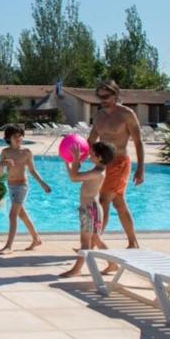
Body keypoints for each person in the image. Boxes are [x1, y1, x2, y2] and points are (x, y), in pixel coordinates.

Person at [87, 80, 144, 248]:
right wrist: (77, 156)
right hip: (103, 164)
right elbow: (91, 139)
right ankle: (133, 242)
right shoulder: (99, 116)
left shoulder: (126, 114)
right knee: (118, 202)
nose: (102, 99)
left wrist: (141, 169)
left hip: (120, 163)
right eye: (99, 96)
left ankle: (94, 243)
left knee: (104, 200)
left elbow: (138, 142)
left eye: (106, 96)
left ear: (116, 95)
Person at [59, 141, 116, 278]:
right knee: (96, 239)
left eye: (92, 152)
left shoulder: (97, 173)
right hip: (91, 209)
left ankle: (76, 269)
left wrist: (77, 159)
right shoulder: (97, 170)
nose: (89, 153)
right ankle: (113, 264)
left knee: (85, 242)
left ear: (100, 157)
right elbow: (75, 175)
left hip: (90, 210)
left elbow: (74, 177)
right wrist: (69, 163)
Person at [0, 124, 51, 254]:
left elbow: (32, 170)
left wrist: (43, 184)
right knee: (21, 214)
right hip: (11, 185)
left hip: (21, 186)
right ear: (9, 138)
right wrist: (2, 164)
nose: (19, 138)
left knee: (12, 214)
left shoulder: (26, 152)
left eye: (20, 136)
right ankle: (36, 239)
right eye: (15, 136)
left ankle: (9, 246)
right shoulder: (5, 152)